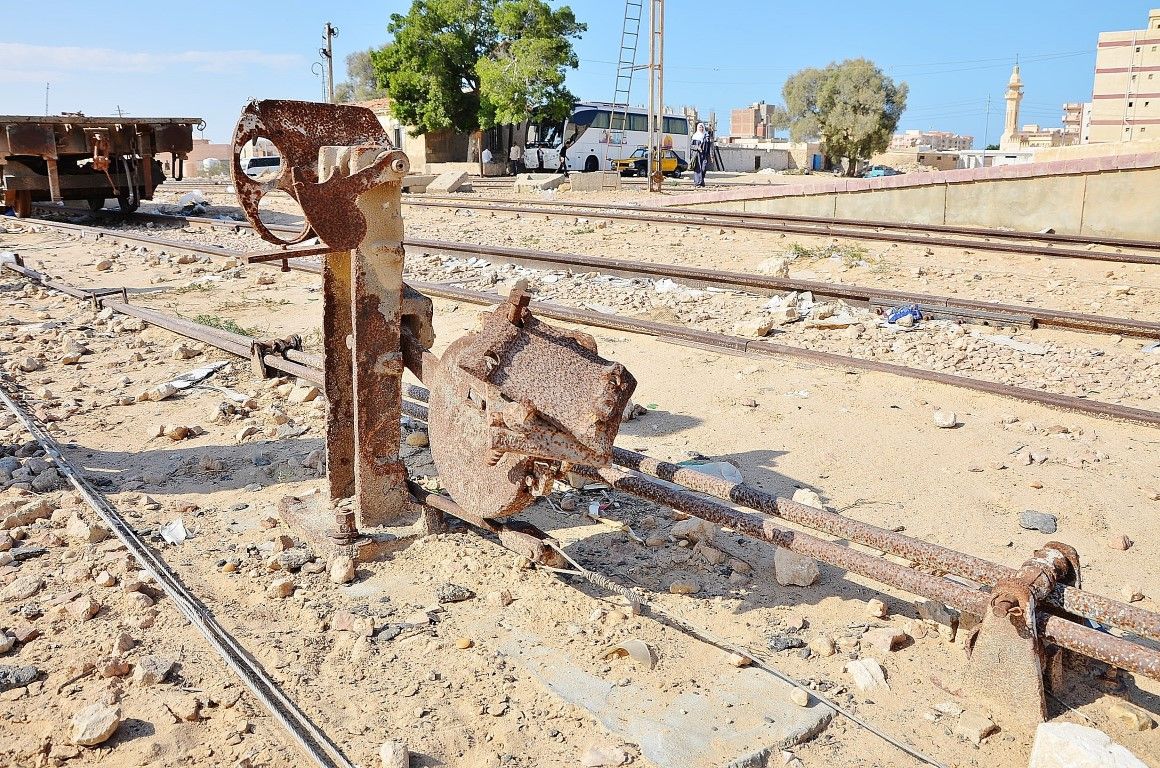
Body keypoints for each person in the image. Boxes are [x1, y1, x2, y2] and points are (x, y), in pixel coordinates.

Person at [690, 122, 713, 187]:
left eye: (702, 127)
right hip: (697, 155)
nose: (701, 128)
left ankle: (701, 181)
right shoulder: (695, 136)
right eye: (700, 127)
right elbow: (691, 146)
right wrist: (697, 147)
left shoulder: (706, 136)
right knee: (698, 169)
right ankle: (697, 183)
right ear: (698, 128)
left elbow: (709, 147)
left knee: (703, 168)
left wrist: (711, 156)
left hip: (704, 155)